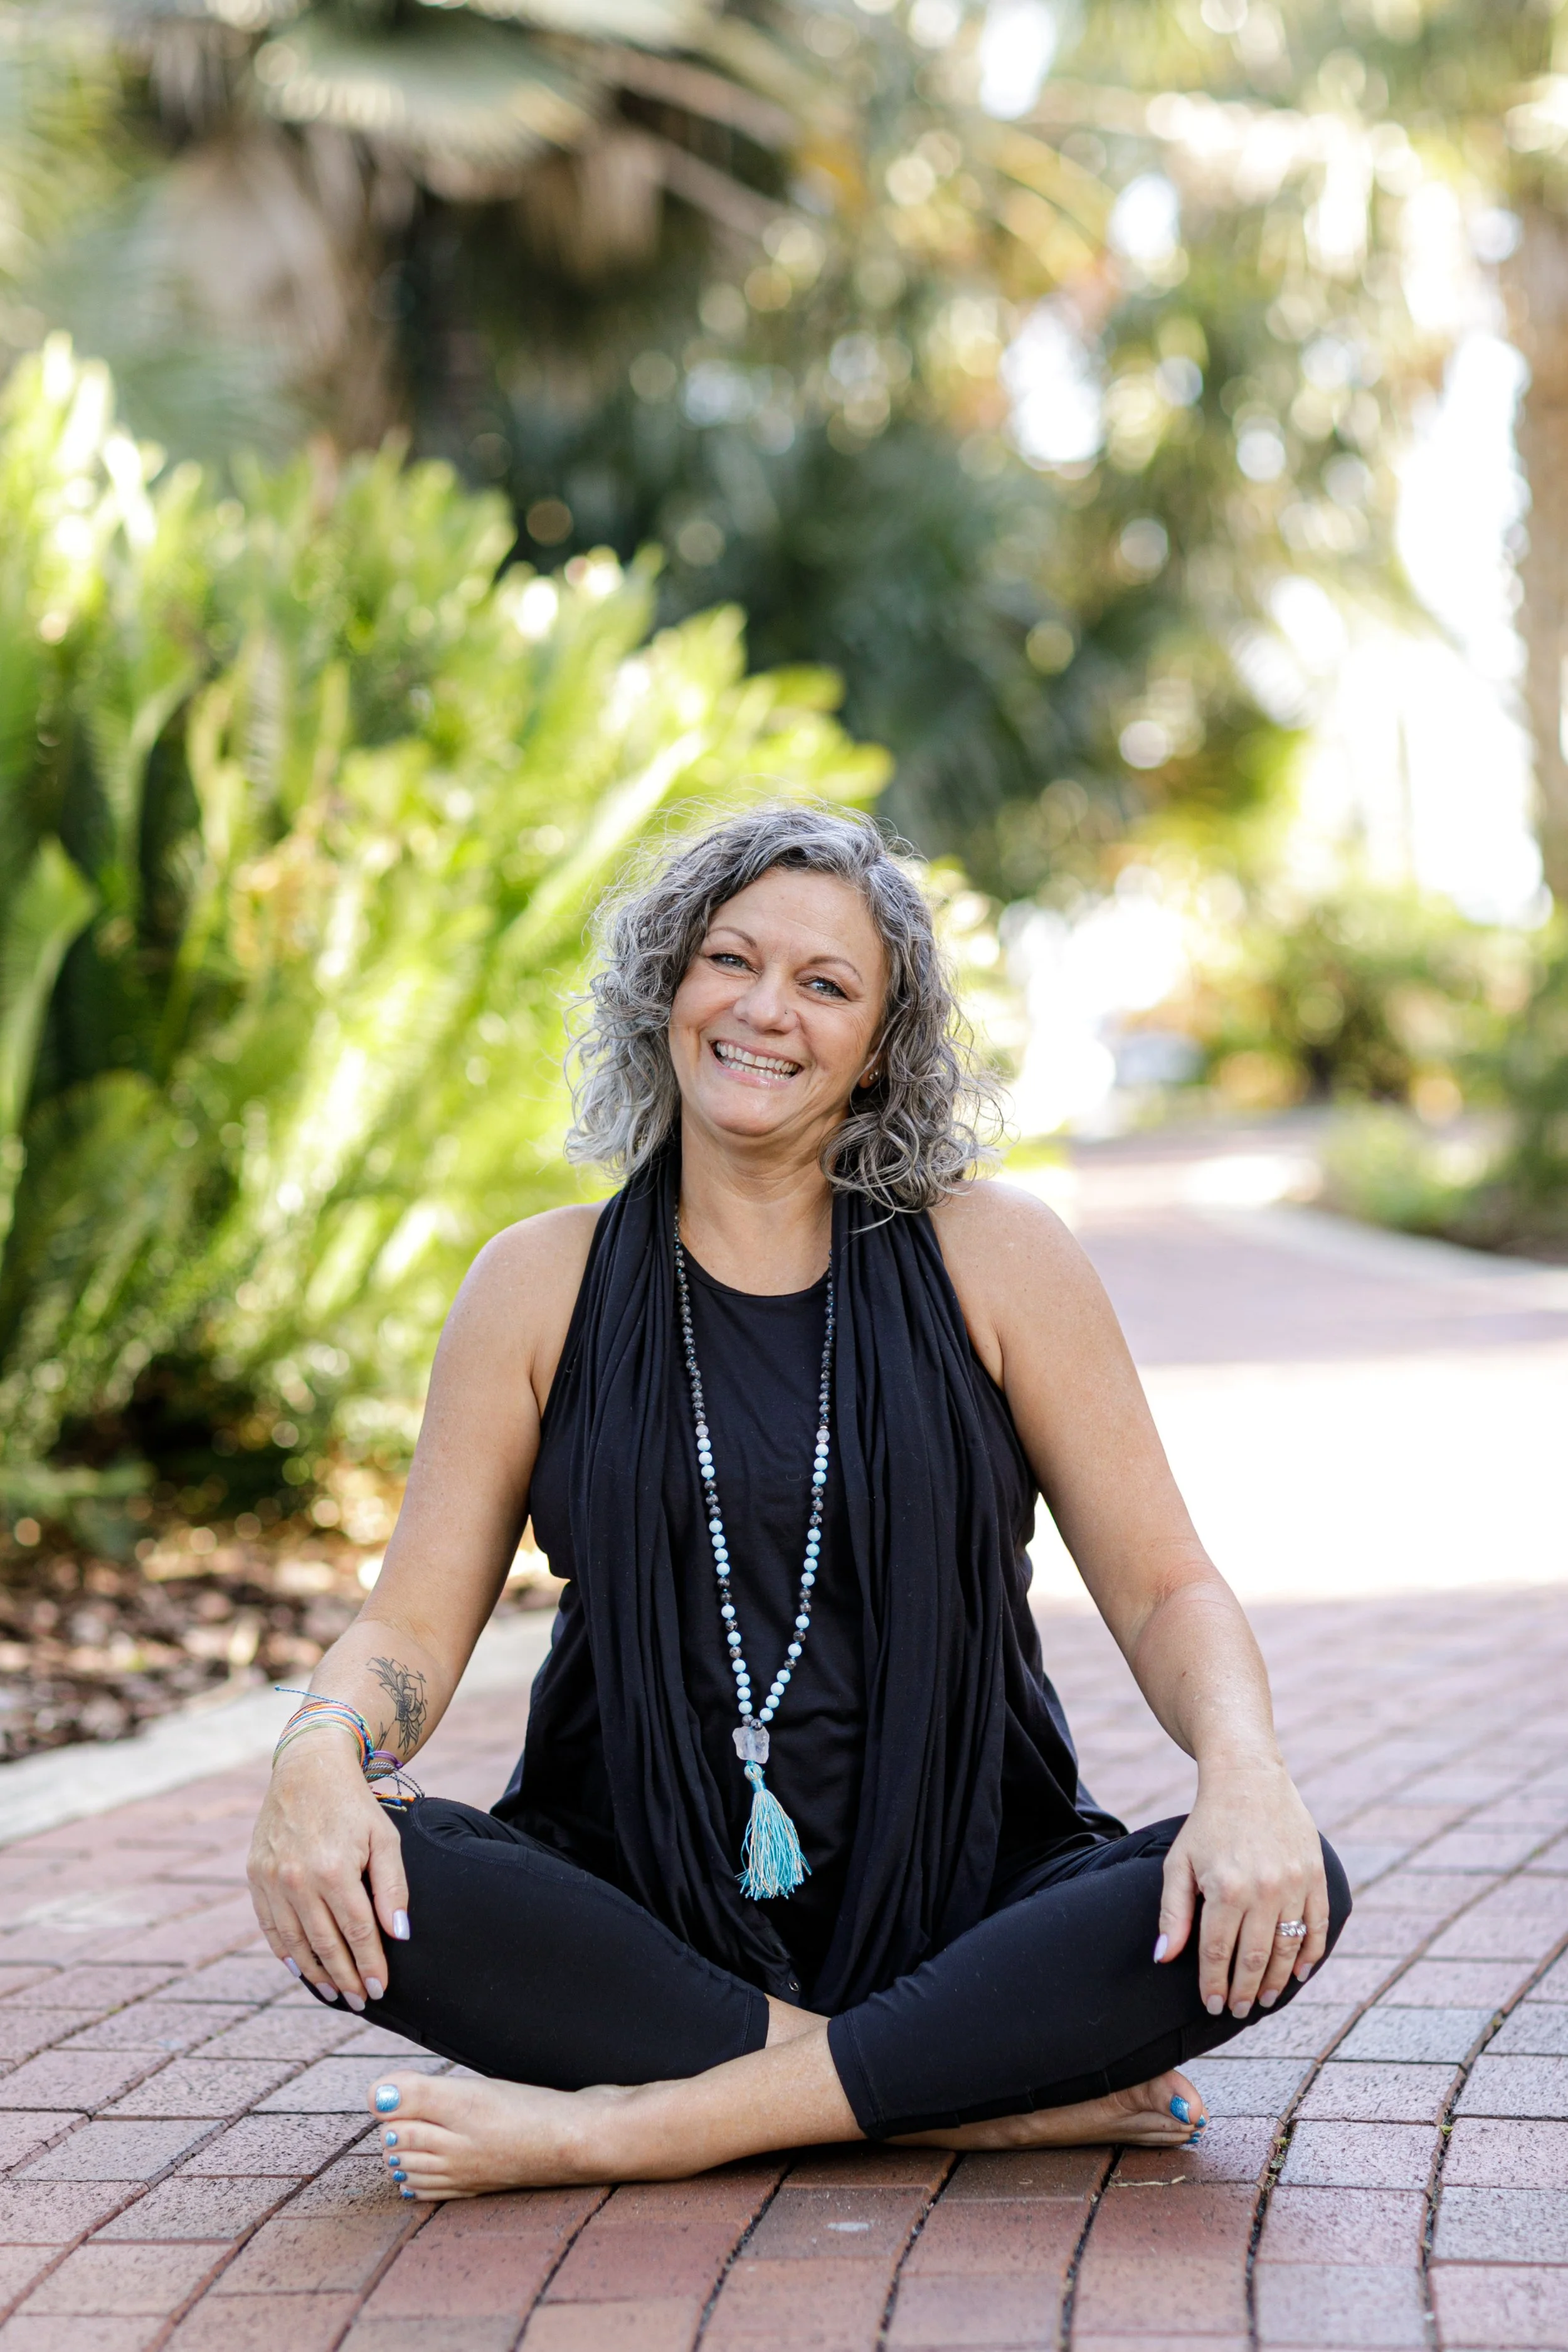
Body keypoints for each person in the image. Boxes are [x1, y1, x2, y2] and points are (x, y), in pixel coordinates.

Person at [246, 803, 1348, 2202]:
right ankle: (964, 2094)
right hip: (633, 1904)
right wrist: (314, 1759)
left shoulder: (997, 1258)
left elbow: (1161, 1589)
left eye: (824, 985)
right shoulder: (536, 1282)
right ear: (665, 988)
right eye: (728, 959)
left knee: (1281, 1878)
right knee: (369, 1875)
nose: (764, 1009)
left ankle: (640, 2125)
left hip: (968, 1899)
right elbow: (410, 1625)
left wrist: (1241, 1774)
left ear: (881, 1049)